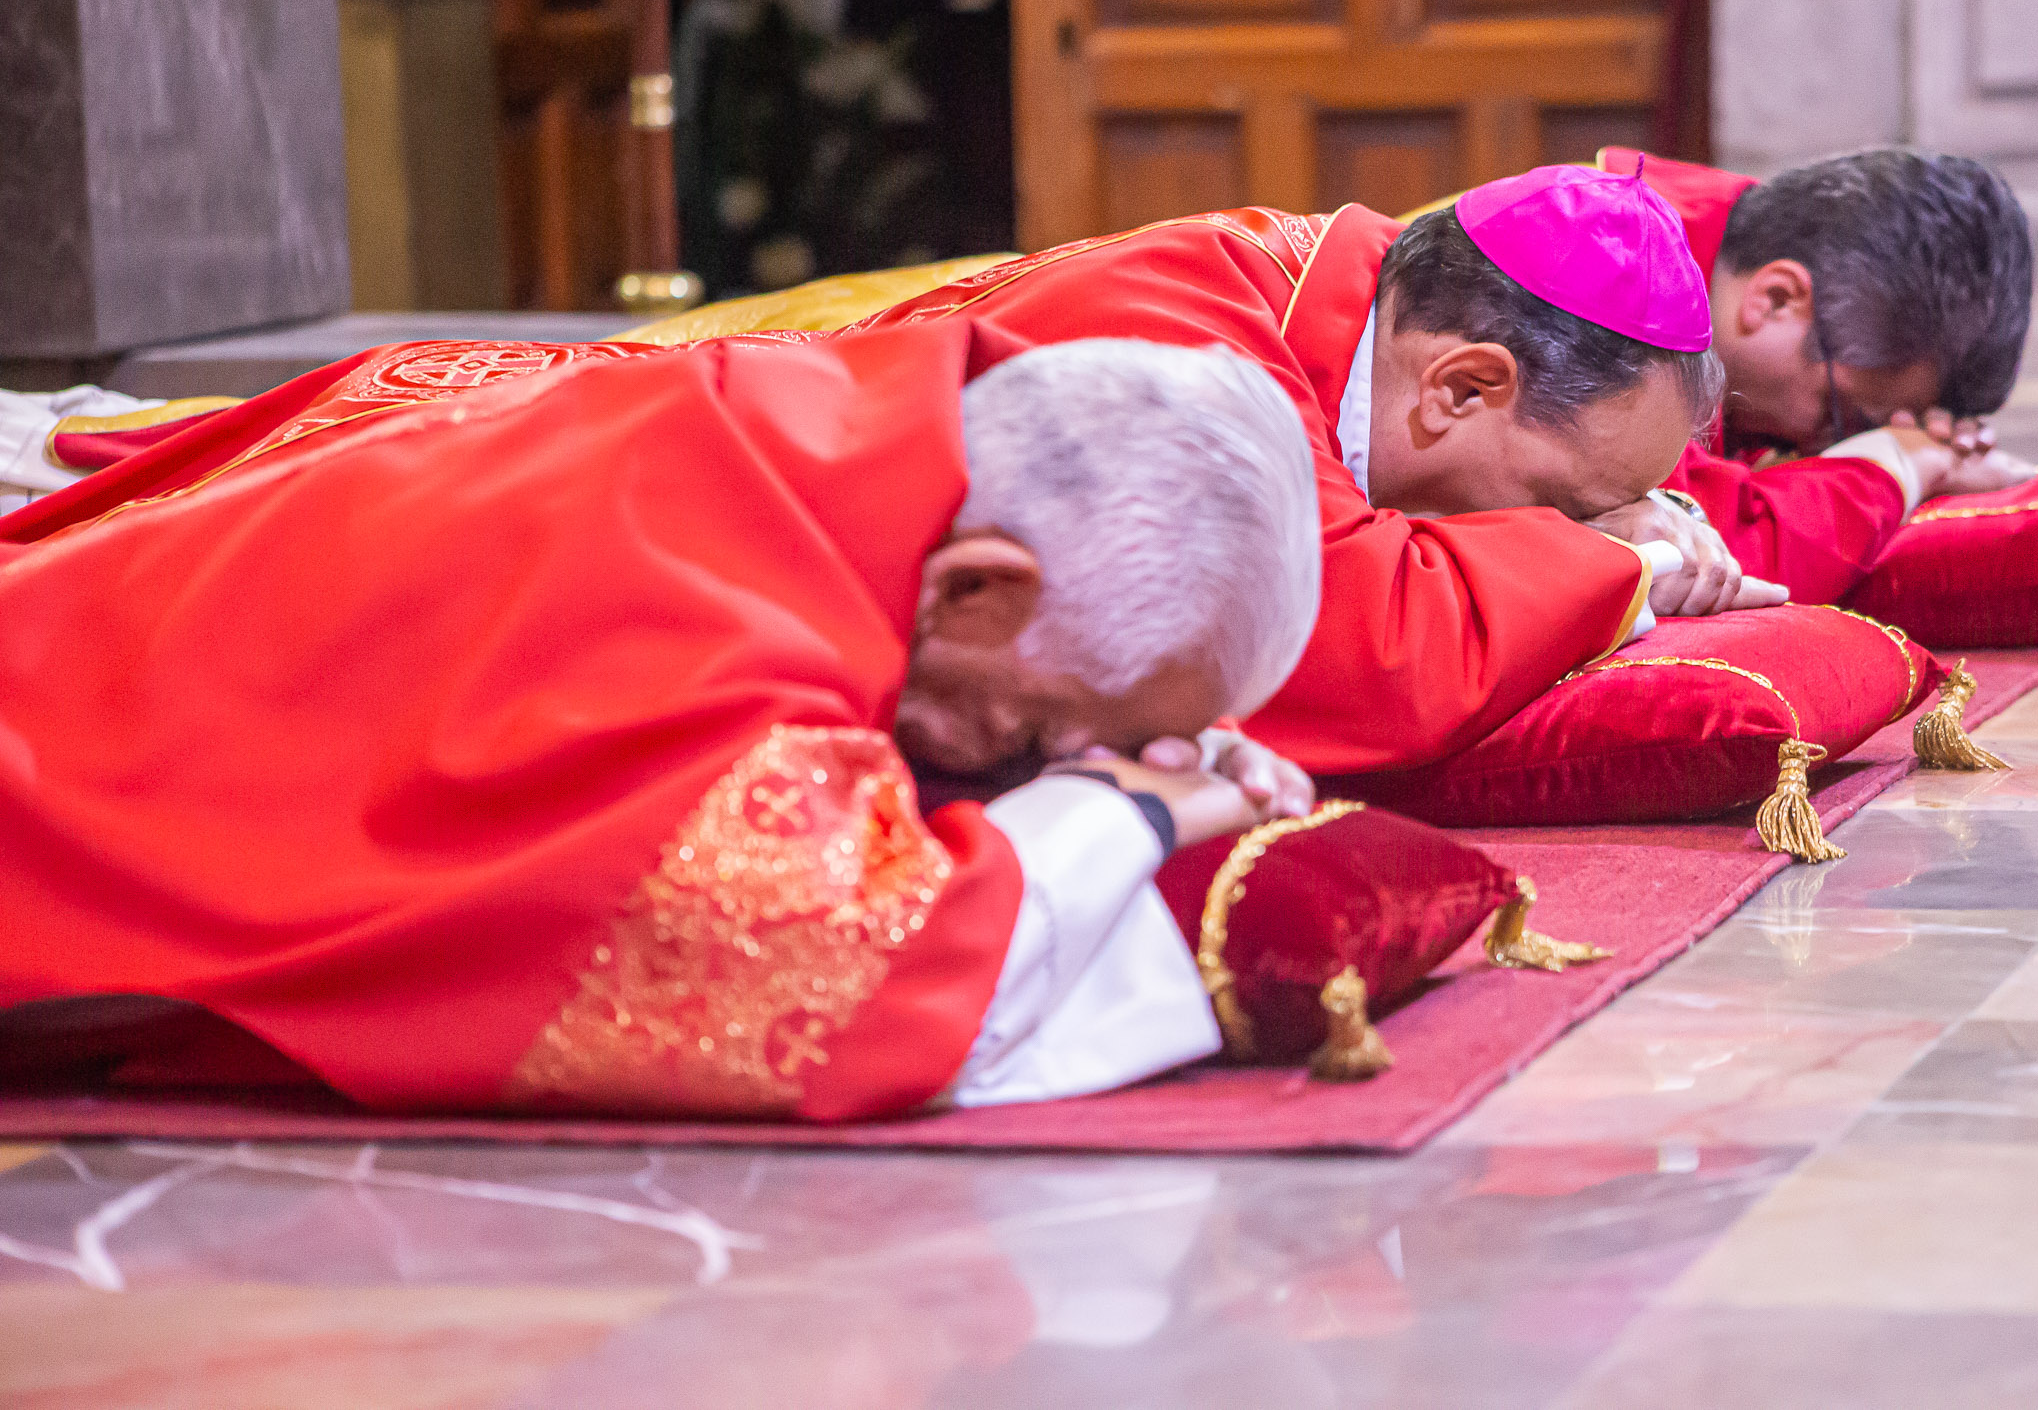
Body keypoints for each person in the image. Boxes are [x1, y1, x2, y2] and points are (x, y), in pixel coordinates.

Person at [1, 167, 1767, 780]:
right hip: (551, 490)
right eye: (1571, 491)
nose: (1591, 524)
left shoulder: (1332, 323)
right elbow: (1337, 655)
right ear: (1460, 386)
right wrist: (1623, 570)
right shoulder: (1191, 351)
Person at [0, 325, 1326, 1122]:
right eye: (1047, 727)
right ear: (979, 588)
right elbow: (850, 985)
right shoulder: (702, 612)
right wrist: (1129, 809)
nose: (1033, 764)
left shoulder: (814, 429)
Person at [1592, 145, 2038, 605]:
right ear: (1776, 299)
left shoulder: (1740, 248)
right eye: (1839, 417)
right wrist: (1899, 463)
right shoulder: (1608, 275)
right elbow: (1707, 565)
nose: (1821, 450)